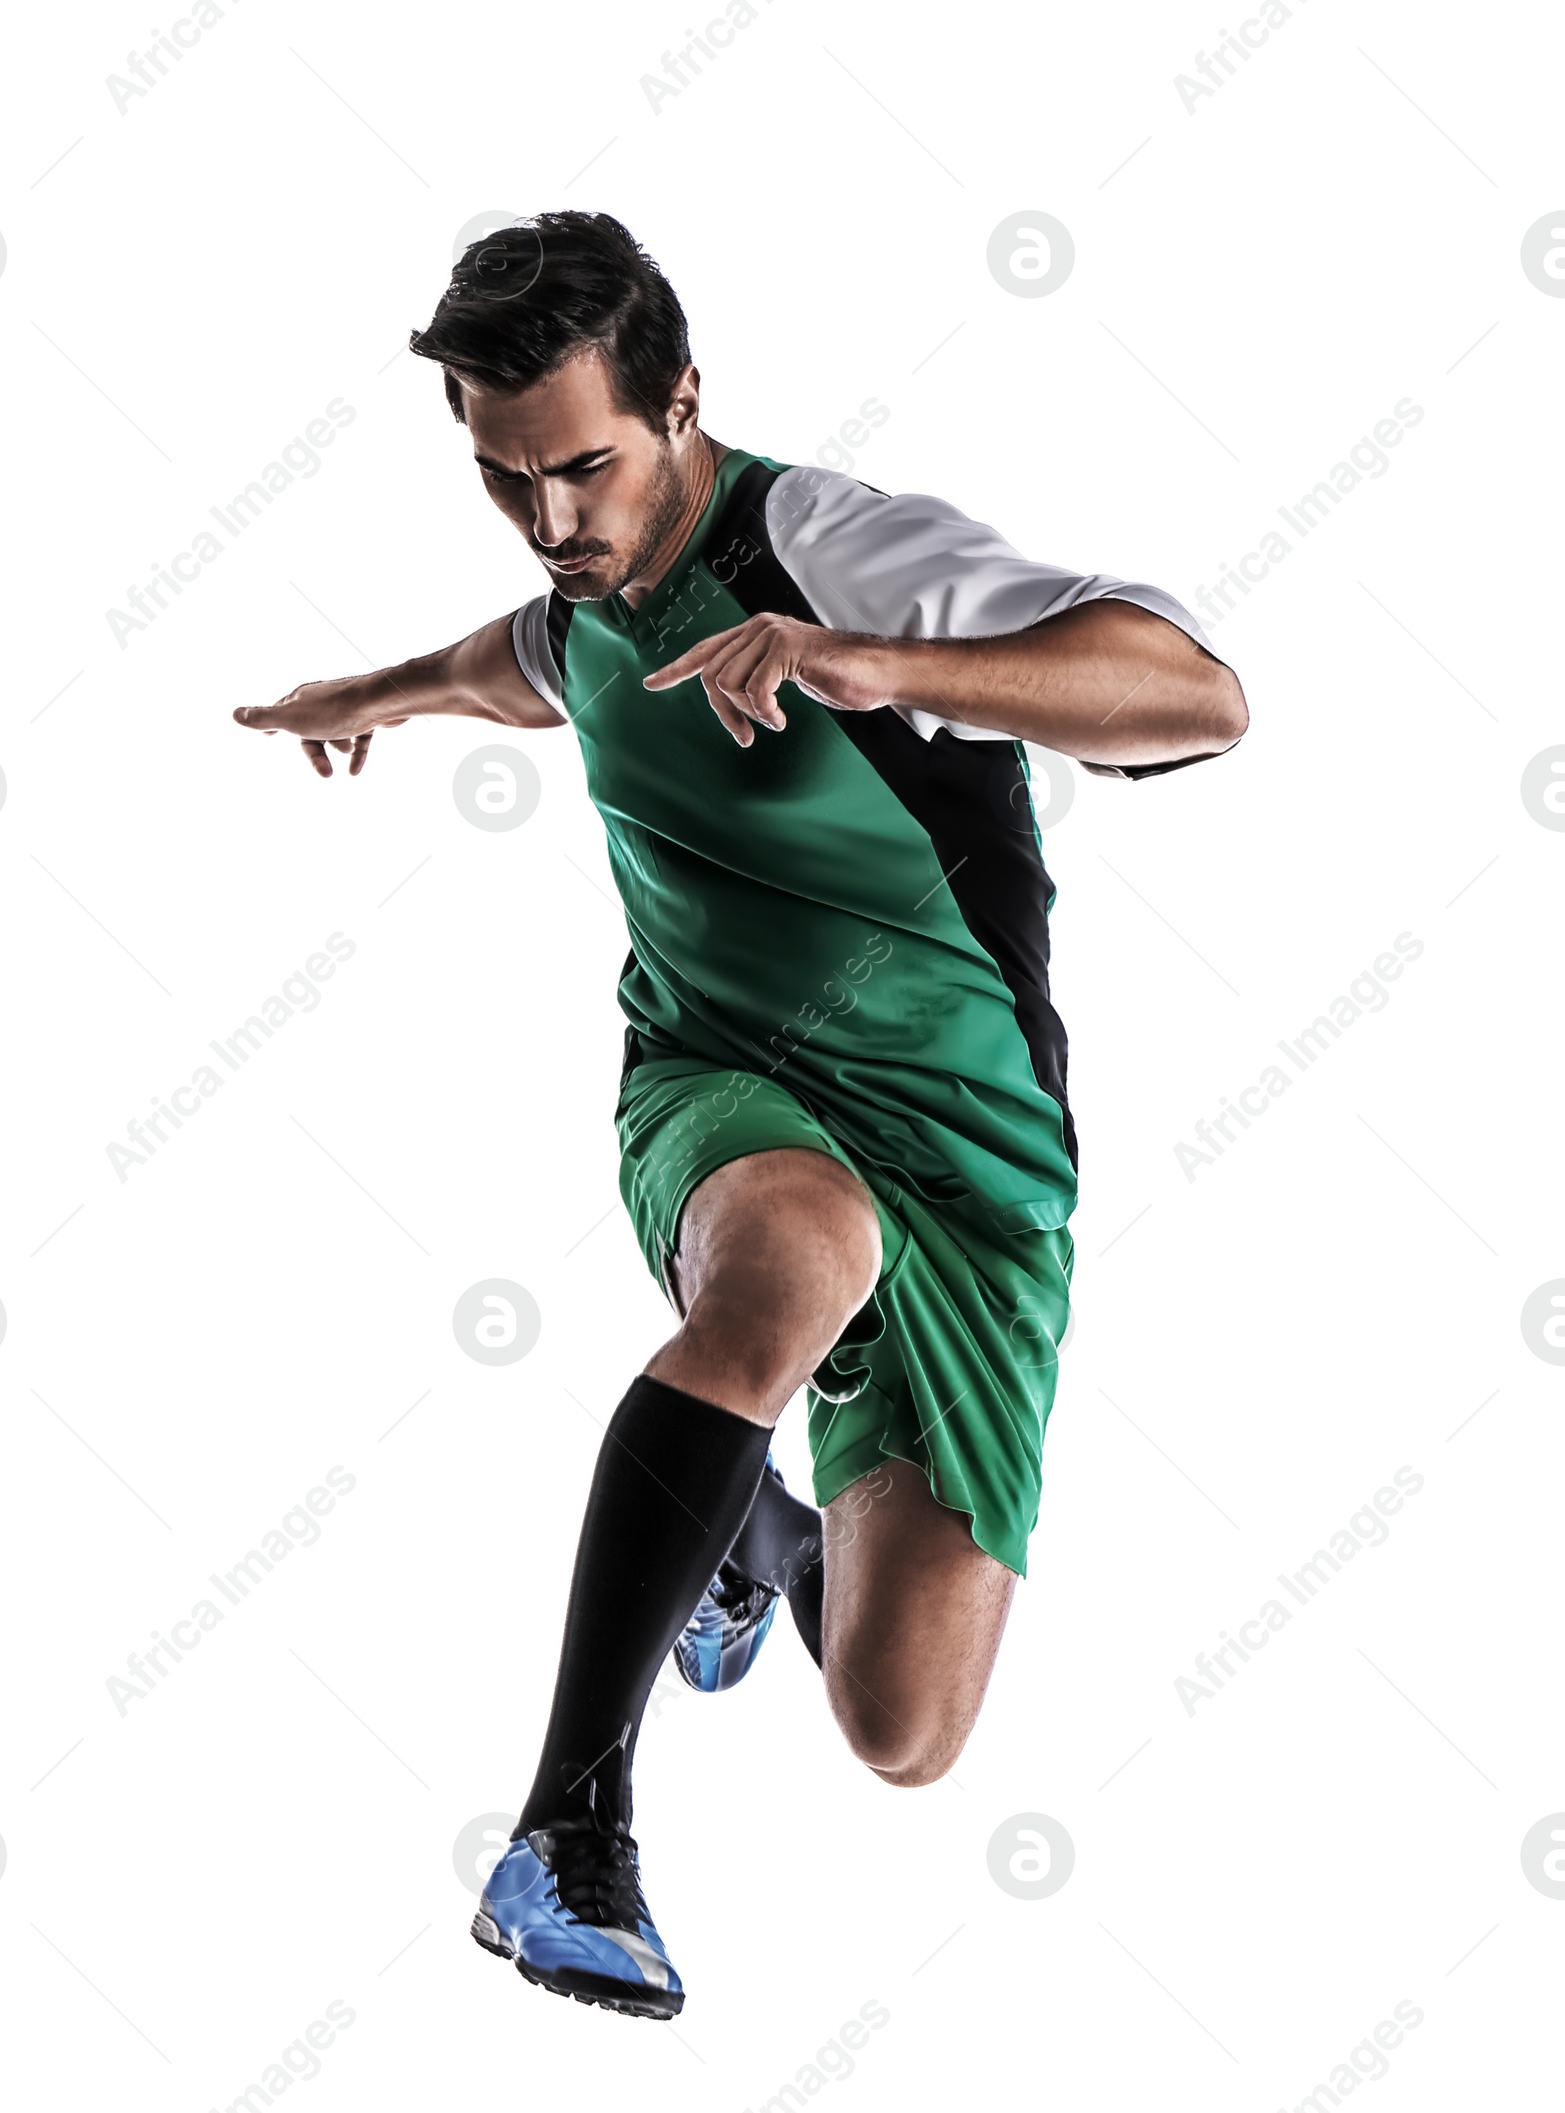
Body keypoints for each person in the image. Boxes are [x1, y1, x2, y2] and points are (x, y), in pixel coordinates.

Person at [233, 211, 1247, 2022]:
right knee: (791, 1253)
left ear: (684, 399)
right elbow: (527, 663)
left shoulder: (834, 543)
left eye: (585, 469)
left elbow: (1196, 703)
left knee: (902, 1727)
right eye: (505, 479)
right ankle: (566, 1831)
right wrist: (368, 694)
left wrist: (893, 665)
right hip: (719, 1080)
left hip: (975, 1153)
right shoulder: (583, 585)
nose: (556, 523)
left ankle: (753, 1530)